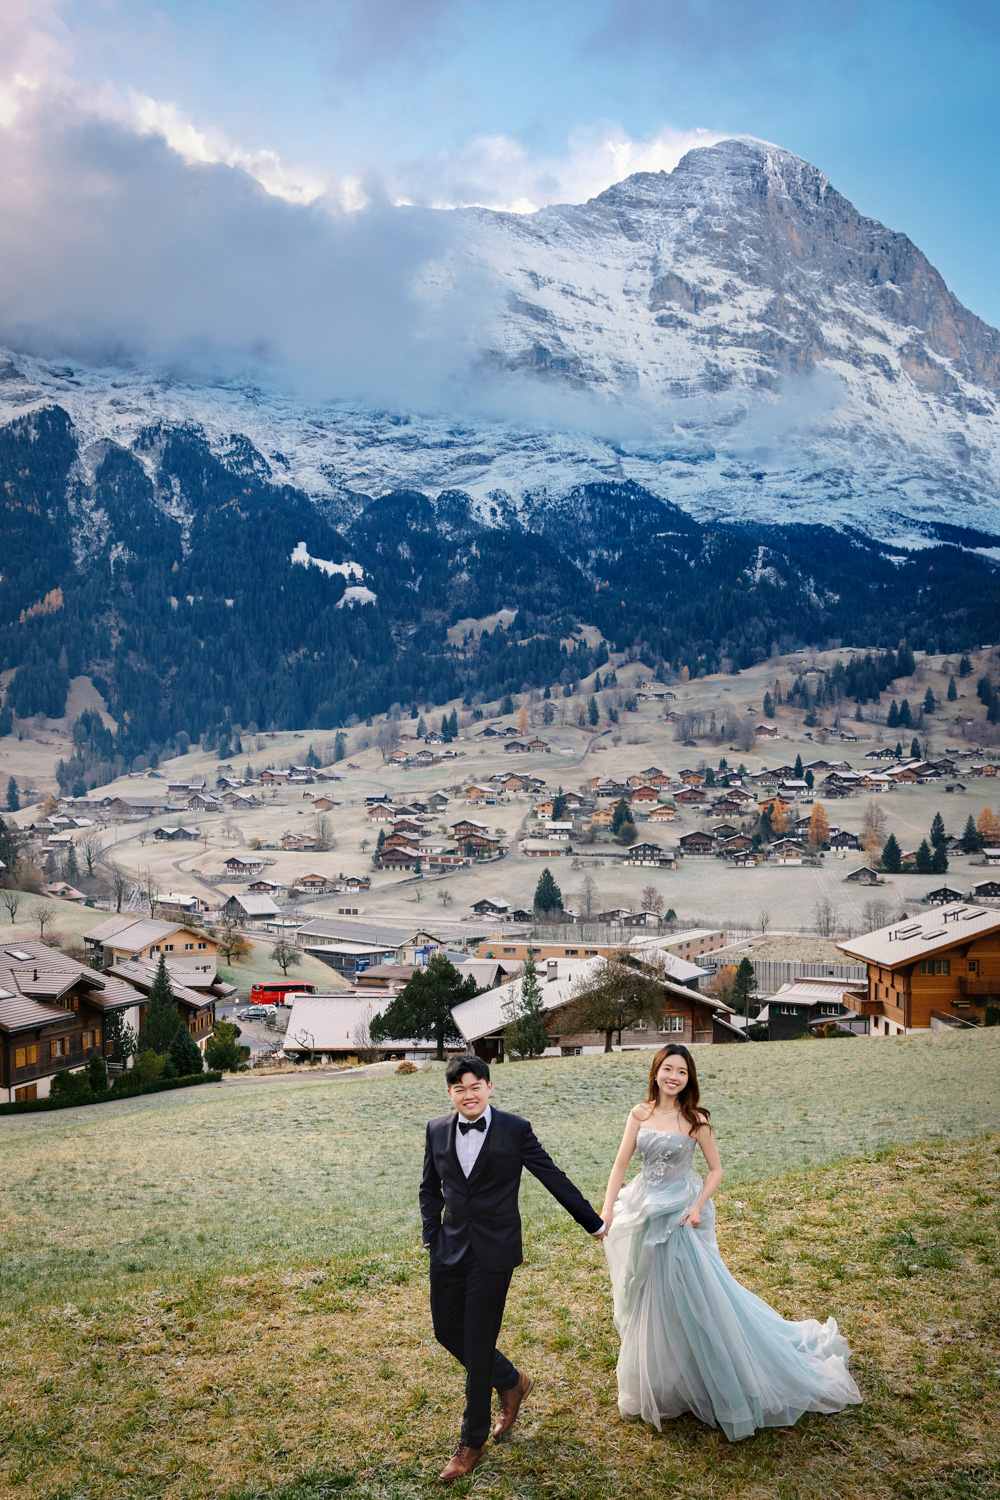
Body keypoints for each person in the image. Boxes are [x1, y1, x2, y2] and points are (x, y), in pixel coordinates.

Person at [601, 1043, 862, 1441]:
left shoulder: (696, 1120)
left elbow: (716, 1169)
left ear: (689, 1079)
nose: (674, 1077)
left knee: (691, 1293)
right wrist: (607, 1210)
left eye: (682, 1072)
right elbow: (621, 1163)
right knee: (650, 1293)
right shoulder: (639, 1113)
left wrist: (697, 1207)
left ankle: (715, 1374)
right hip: (644, 1209)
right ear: (655, 1072)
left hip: (679, 1214)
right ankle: (665, 1378)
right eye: (668, 1069)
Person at [420, 1055, 606, 1483]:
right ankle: (511, 1380)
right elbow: (430, 1188)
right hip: (448, 1248)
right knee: (446, 1331)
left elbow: (551, 1175)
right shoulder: (435, 1129)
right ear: (450, 1093)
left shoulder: (515, 1129)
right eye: (460, 1089)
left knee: (478, 1341)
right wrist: (432, 1234)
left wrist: (592, 1223)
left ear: (489, 1087)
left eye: (476, 1086)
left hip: (494, 1252)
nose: (469, 1095)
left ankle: (472, 1442)